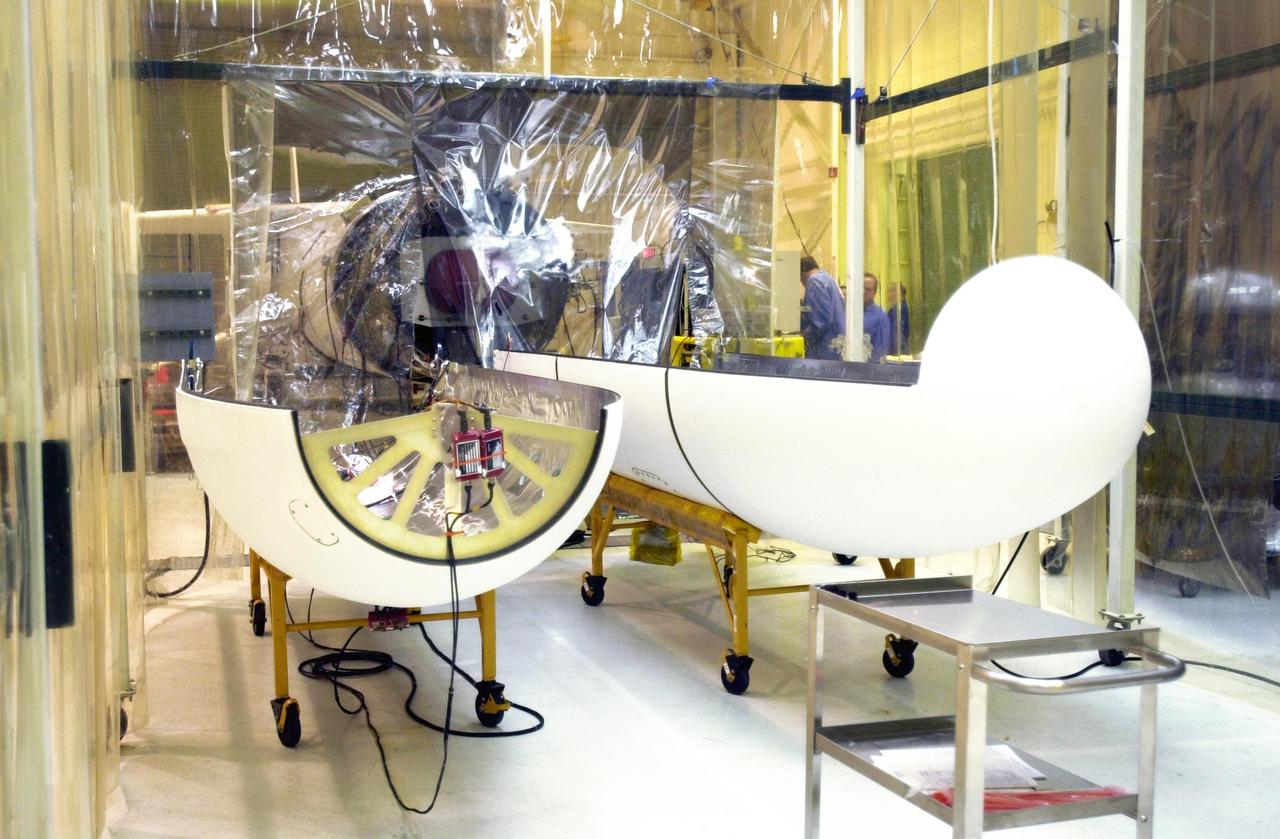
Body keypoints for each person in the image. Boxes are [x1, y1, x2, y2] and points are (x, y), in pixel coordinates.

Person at [799, 255, 846, 360]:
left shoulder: (814, 281)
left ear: (801, 273)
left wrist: (804, 337)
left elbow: (820, 322)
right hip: (835, 347)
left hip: (822, 349)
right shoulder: (829, 279)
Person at [862, 272, 891, 362]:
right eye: (861, 288)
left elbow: (880, 354)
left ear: (874, 293)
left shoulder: (880, 317)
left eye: (867, 289)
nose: (863, 292)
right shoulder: (848, 313)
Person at [885, 281, 910, 356]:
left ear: (898, 293)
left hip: (897, 352)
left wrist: (890, 352)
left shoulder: (899, 310)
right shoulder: (897, 308)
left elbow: (896, 334)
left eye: (890, 291)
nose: (888, 294)